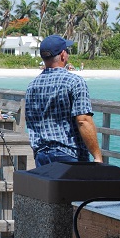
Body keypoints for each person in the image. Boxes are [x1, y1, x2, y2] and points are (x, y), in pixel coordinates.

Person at [23, 35, 103, 166]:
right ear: (63, 55)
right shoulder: (74, 82)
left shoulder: (32, 86)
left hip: (41, 155)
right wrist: (97, 156)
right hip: (69, 154)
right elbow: (83, 120)